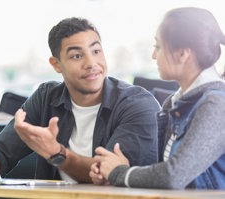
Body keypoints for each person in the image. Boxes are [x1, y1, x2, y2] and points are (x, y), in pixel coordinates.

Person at [0, 17, 160, 183]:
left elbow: (106, 173)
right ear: (56, 64)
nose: (91, 63)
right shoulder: (46, 97)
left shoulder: (137, 103)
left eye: (96, 51)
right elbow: (1, 154)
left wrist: (57, 153)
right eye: (77, 56)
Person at [89, 7, 225, 189]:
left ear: (183, 54)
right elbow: (167, 172)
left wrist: (120, 173)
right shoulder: (173, 103)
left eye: (158, 47)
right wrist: (119, 171)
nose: (154, 55)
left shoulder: (216, 104)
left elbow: (173, 176)